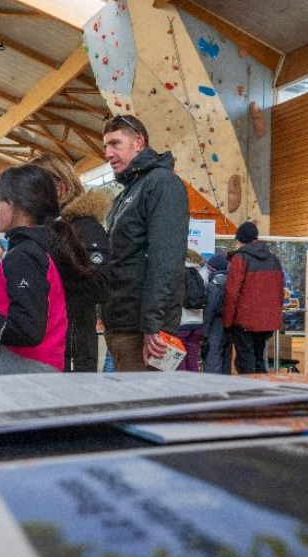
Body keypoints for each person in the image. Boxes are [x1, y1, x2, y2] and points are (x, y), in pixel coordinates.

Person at [0, 165, 94, 375]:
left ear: (19, 205)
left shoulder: (24, 255)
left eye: (0, 200)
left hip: (23, 374)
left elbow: (25, 327)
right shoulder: (35, 249)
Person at [100, 115, 189, 371]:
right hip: (123, 322)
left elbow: (166, 258)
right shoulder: (129, 191)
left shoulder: (162, 183)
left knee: (144, 406)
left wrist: (154, 324)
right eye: (106, 146)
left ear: (138, 142)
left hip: (144, 330)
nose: (108, 153)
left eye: (116, 144)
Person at [29, 152, 111, 372]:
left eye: (36, 187)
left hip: (73, 349)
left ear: (61, 188)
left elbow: (99, 284)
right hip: (50, 343)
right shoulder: (49, 228)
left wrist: (52, 282)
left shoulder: (84, 227)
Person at [222, 221, 284, 373]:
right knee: (259, 359)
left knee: (246, 362)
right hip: (266, 321)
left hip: (245, 321)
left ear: (240, 239)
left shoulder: (240, 258)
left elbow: (232, 292)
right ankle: (262, 391)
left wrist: (227, 321)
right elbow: (280, 291)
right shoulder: (273, 259)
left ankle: (249, 393)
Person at [177, 249, 209, 372]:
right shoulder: (202, 272)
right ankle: (193, 385)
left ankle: (182, 387)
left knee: (179, 359)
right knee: (192, 357)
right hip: (197, 324)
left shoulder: (178, 272)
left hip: (181, 323)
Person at [202, 252, 231, 374]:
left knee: (213, 358)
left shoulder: (215, 284)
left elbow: (209, 310)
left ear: (213, 269)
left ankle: (213, 390)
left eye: (208, 268)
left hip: (216, 326)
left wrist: (204, 332)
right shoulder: (232, 280)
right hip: (230, 325)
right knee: (227, 360)